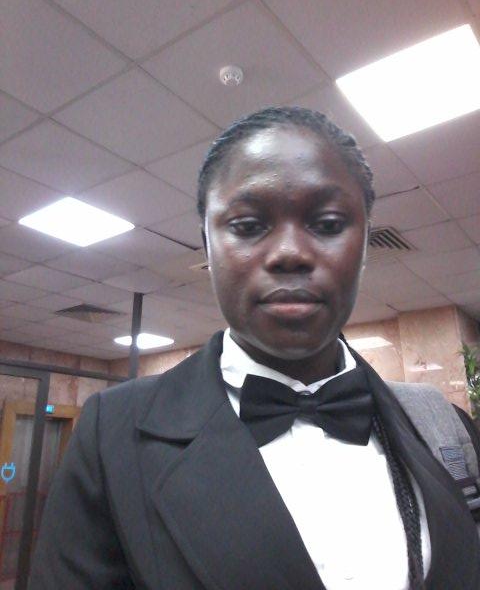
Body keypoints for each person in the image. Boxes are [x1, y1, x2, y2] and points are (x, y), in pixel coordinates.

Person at [28, 107, 480, 589]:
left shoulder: (443, 426)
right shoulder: (113, 436)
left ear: (366, 242)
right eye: (247, 226)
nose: (290, 253)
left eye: (328, 223)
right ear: (207, 246)